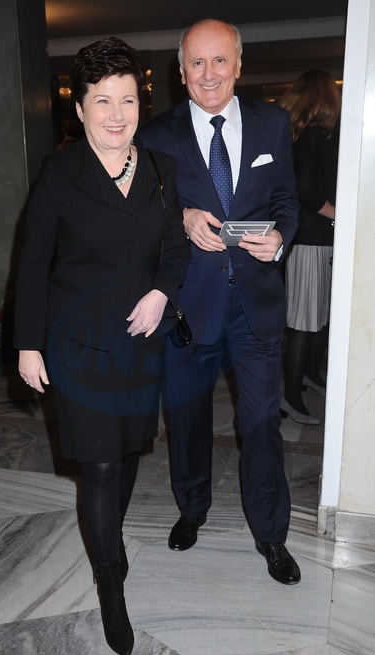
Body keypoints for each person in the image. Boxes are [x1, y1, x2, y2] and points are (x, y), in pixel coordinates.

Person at [13, 37, 190, 655]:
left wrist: (162, 293)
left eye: (128, 100)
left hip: (139, 341)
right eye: (102, 101)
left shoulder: (161, 169)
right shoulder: (60, 174)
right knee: (102, 465)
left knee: (130, 449)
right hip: (77, 345)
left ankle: (108, 543)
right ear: (80, 108)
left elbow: (176, 250)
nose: (117, 114)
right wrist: (27, 345)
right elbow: (32, 265)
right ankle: (110, 582)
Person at [139, 19, 301, 585]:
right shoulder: (155, 135)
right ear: (181, 72)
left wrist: (280, 237)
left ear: (239, 65)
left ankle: (271, 534)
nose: (209, 74)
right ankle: (192, 508)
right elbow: (142, 216)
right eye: (197, 63)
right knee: (186, 420)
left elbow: (287, 201)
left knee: (261, 425)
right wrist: (181, 216)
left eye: (220, 61)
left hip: (256, 304)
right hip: (189, 306)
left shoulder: (273, 123)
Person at [278, 70, 340, 425]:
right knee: (305, 321)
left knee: (318, 318)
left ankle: (310, 376)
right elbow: (307, 191)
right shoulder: (311, 134)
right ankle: (290, 397)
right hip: (308, 237)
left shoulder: (302, 133)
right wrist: (338, 215)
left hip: (314, 236)